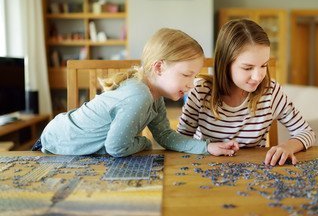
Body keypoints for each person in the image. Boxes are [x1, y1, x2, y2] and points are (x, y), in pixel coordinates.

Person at [32, 28, 238, 157]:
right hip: (59, 142)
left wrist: (207, 147)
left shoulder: (154, 97)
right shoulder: (139, 96)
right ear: (159, 68)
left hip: (63, 137)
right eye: (186, 75)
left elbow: (165, 136)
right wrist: (145, 142)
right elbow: (116, 148)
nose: (192, 84)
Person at [177, 19, 316, 166]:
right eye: (247, 68)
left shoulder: (271, 92)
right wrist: (205, 148)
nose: (257, 77)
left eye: (264, 65)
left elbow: (307, 133)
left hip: (255, 174)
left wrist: (287, 146)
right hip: (204, 172)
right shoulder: (201, 92)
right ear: (225, 64)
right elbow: (179, 142)